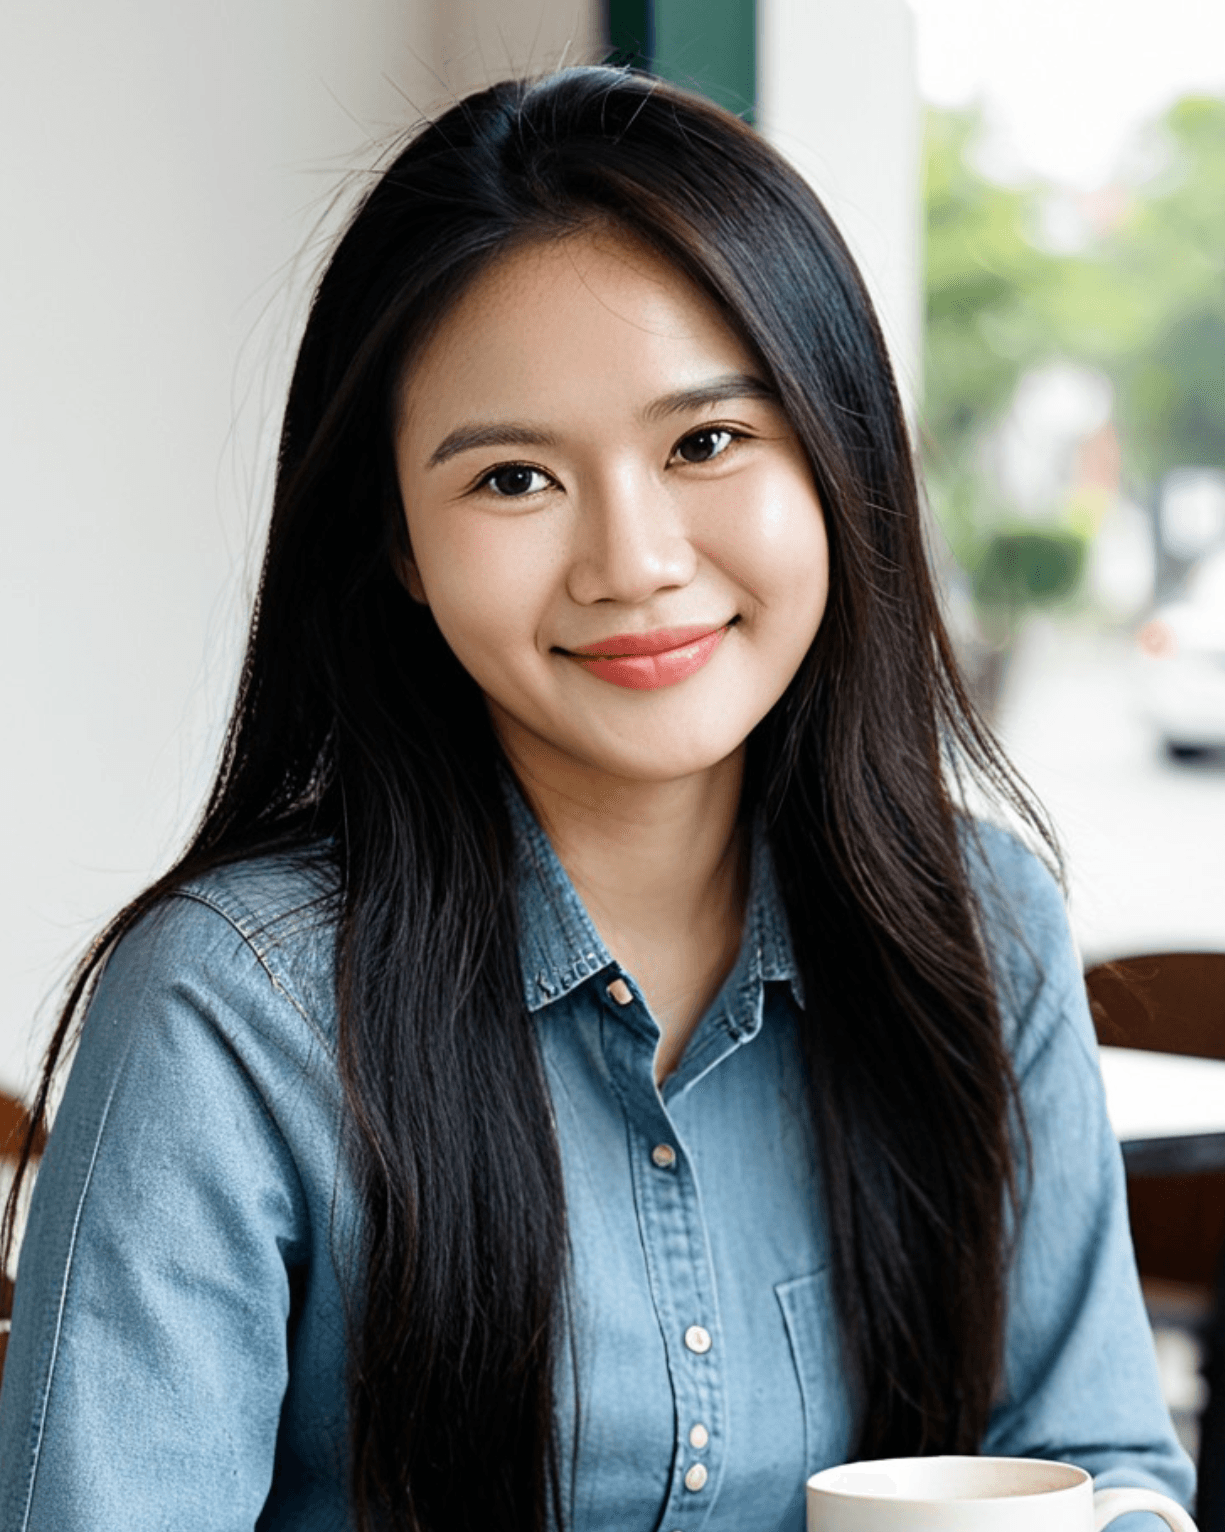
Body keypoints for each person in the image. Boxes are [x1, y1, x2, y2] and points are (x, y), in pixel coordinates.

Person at [0, 66, 1194, 1532]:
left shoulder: (982, 927)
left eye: (706, 443)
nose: (632, 562)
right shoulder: (233, 1013)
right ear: (399, 547)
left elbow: (1105, 1459)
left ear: (836, 451)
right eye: (512, 479)